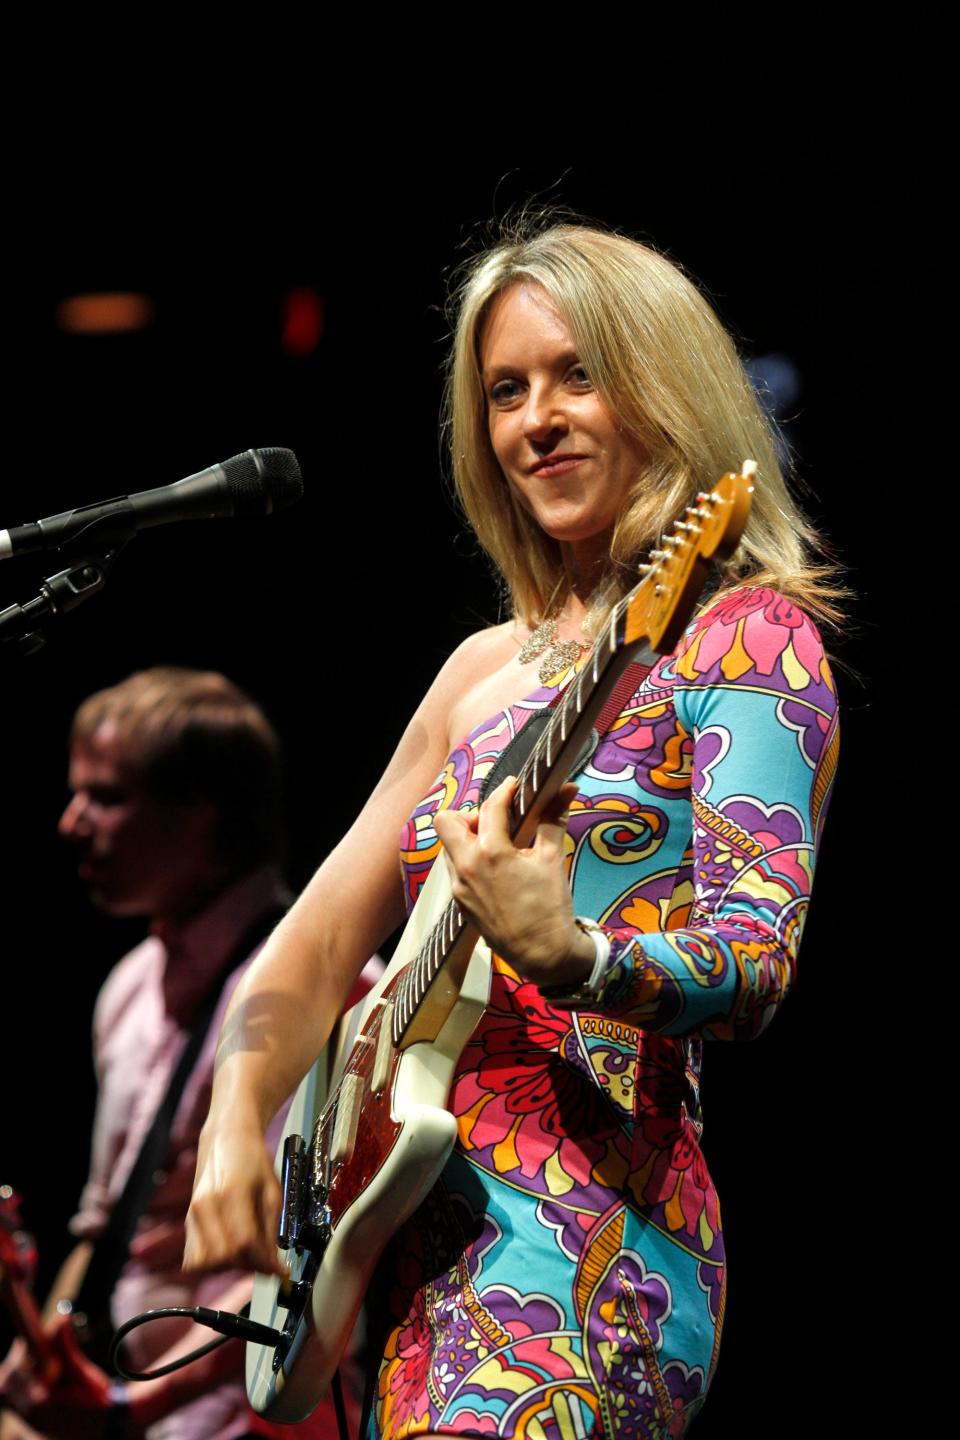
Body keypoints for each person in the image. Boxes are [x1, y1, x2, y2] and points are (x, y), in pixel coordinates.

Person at [184, 222, 841, 1439]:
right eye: (505, 391)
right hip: (400, 1259)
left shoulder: (741, 634)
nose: (536, 418)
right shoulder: (480, 674)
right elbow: (319, 941)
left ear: (668, 382)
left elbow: (757, 965)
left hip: (587, 1247)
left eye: (578, 374)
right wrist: (234, 1122)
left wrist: (574, 955)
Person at [0, 668, 375, 1440]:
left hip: (248, 1422)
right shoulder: (128, 988)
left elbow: (310, 1258)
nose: (70, 823)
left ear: (199, 818)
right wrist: (47, 1355)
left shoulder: (327, 997)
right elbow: (109, 1229)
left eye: (106, 798)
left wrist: (125, 1409)